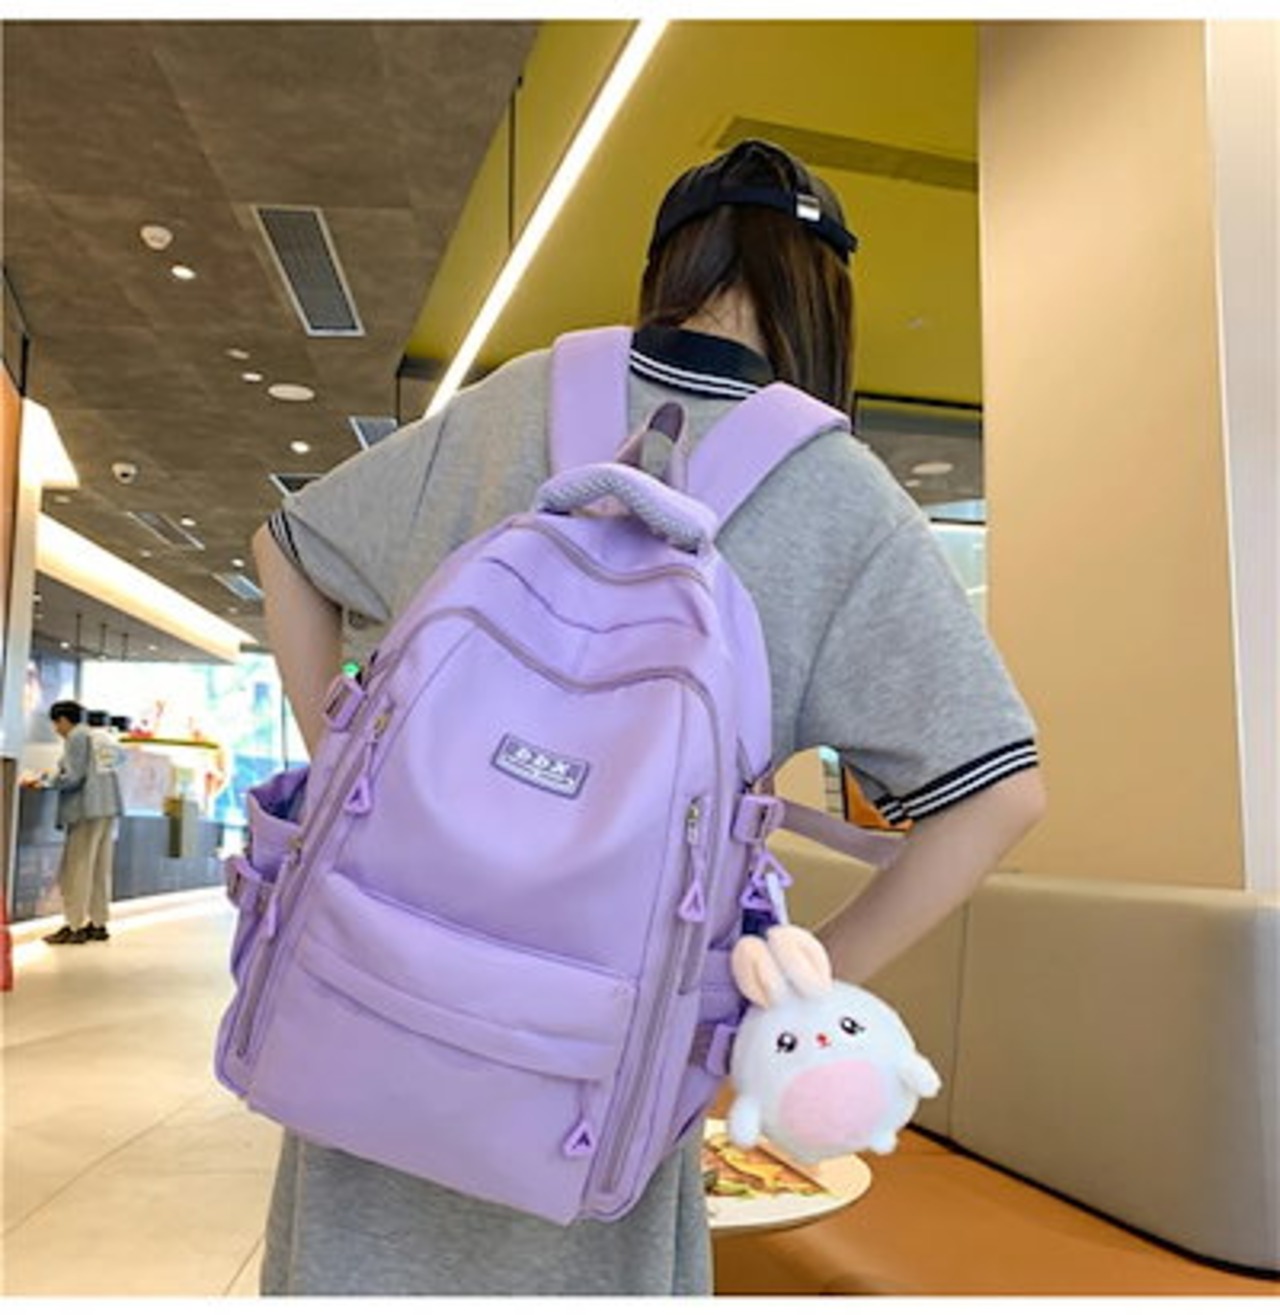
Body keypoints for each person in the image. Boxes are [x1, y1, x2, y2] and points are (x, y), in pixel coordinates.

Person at [250, 138, 1047, 1295]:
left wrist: (348, 780)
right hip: (596, 1082)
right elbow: (999, 795)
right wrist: (775, 997)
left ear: (666, 268)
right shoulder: (834, 492)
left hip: (370, 1014)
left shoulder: (519, 399)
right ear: (826, 299)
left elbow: (286, 551)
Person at [43, 700, 123, 944]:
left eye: (57, 724)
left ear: (64, 720)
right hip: (107, 808)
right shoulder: (102, 736)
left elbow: (74, 776)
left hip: (85, 810)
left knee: (78, 869)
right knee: (100, 869)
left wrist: (48, 781)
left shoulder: (77, 737)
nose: (57, 730)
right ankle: (98, 923)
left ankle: (74, 925)